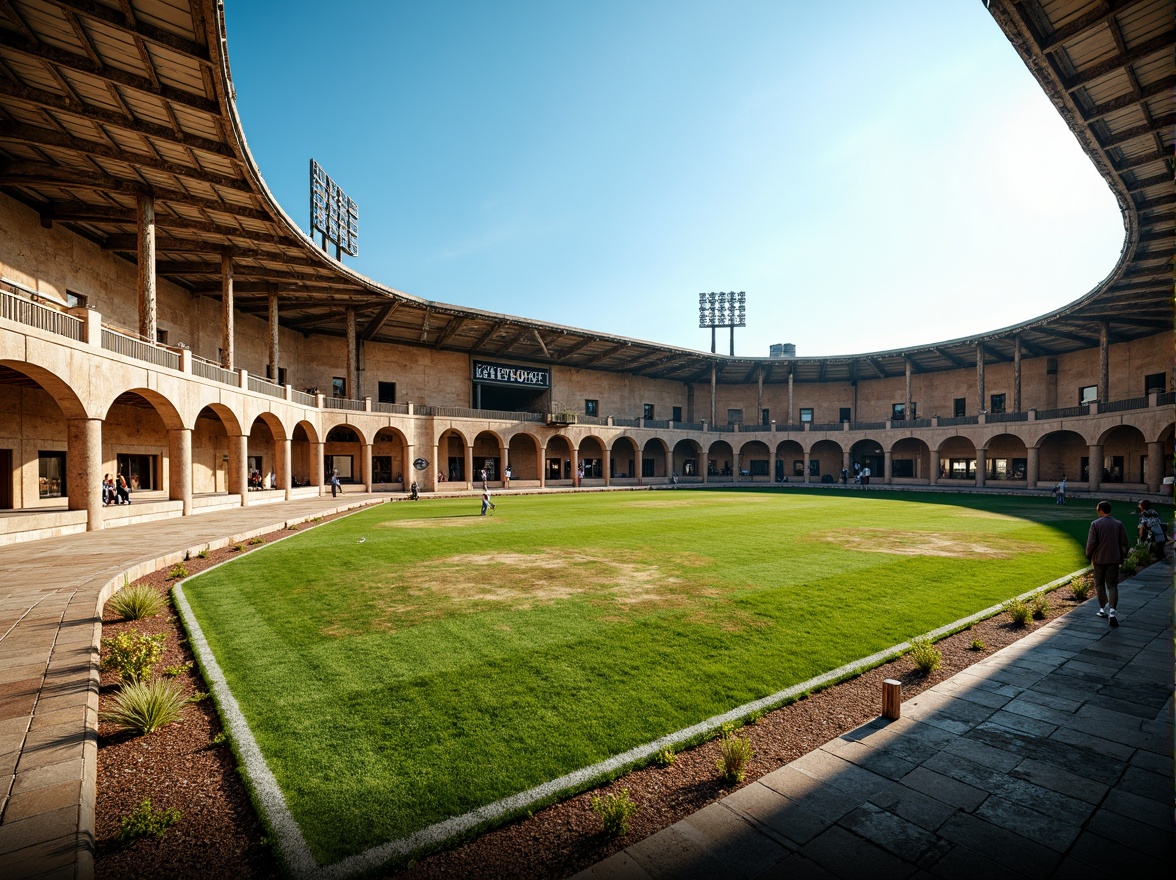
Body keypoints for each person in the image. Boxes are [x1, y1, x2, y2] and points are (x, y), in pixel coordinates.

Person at [1086, 500, 1129, 627]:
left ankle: (1102, 608)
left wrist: (1089, 555)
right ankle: (1112, 612)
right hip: (1114, 558)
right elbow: (1124, 542)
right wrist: (1123, 556)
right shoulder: (1118, 524)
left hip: (1099, 559)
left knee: (1099, 584)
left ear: (1100, 510)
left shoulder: (1095, 524)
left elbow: (1091, 543)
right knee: (1112, 585)